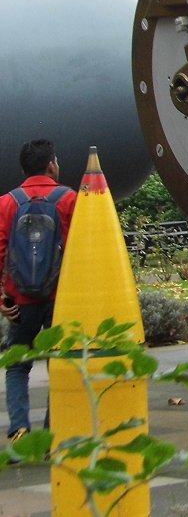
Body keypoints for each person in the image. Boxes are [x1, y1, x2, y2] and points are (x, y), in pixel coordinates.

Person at [0, 140, 77, 443]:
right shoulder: (69, 199)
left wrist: (3, 299)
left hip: (19, 302)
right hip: (60, 299)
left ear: (24, 169)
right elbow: (79, 248)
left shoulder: (7, 202)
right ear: (52, 164)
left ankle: (20, 427)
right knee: (59, 364)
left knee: (17, 366)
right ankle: (51, 435)